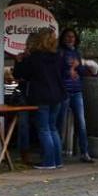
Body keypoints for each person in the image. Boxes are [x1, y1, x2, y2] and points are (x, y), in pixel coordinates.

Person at [19, 28, 65, 170]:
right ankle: (57, 160)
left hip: (41, 95)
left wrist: (20, 61)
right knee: (52, 128)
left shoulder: (35, 57)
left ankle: (48, 161)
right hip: (57, 94)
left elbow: (22, 74)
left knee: (44, 128)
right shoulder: (57, 56)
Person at [58, 28, 92, 163]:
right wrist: (71, 70)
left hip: (77, 89)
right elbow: (59, 71)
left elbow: (81, 70)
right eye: (68, 37)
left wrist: (81, 68)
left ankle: (85, 152)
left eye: (72, 37)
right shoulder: (60, 53)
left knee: (81, 122)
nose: (70, 39)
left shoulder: (76, 53)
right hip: (65, 90)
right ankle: (58, 151)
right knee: (60, 122)